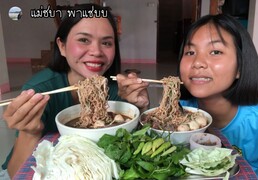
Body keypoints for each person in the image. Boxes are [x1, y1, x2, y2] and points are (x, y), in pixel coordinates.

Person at [0, 3, 149, 179]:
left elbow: (131, 150)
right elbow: (15, 173)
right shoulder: (41, 90)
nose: (96, 51)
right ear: (62, 46)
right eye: (84, 40)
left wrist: (139, 108)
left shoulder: (118, 89)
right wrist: (29, 132)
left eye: (107, 43)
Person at [178, 14, 258, 179]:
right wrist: (139, 109)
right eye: (190, 52)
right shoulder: (179, 110)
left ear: (240, 67)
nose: (197, 62)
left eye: (215, 51)